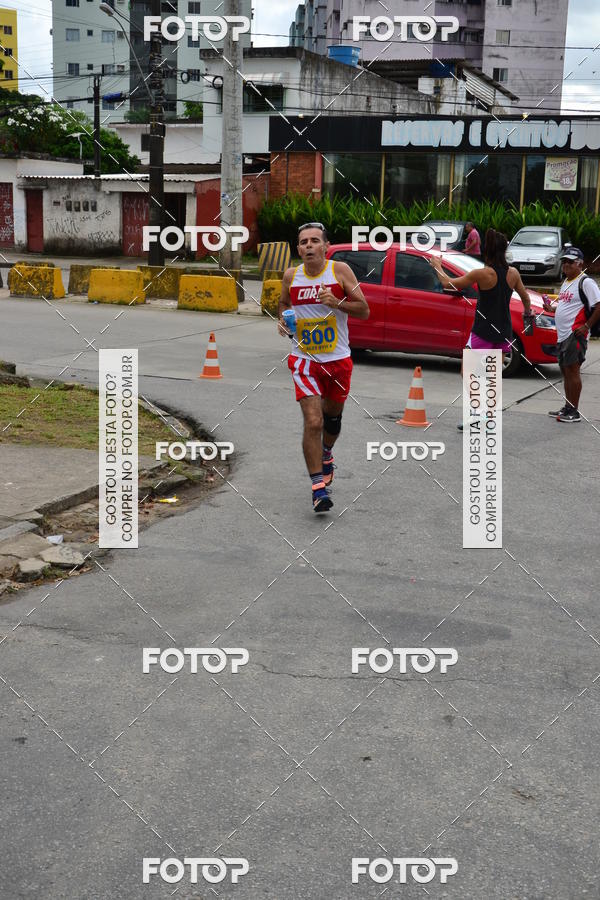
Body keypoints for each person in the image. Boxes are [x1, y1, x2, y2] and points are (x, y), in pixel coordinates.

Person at [278, 223, 370, 512]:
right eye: (303, 241)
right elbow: (282, 304)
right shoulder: (291, 276)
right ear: (298, 248)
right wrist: (282, 320)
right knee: (314, 421)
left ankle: (327, 453)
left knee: (332, 421)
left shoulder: (339, 271)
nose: (308, 246)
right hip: (304, 360)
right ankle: (319, 488)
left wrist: (338, 302)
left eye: (314, 241)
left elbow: (365, 310)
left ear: (325, 246)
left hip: (338, 360)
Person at [429, 228, 532, 430]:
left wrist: (437, 266)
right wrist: (528, 313)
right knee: (492, 376)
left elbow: (447, 283)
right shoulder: (513, 273)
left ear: (487, 252)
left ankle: (477, 415)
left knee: (468, 373)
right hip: (503, 332)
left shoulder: (482, 274)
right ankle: (488, 415)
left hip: (483, 331)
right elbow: (526, 297)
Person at [544, 247, 600, 423]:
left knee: (573, 371)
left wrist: (586, 326)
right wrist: (551, 309)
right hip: (562, 335)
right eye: (564, 262)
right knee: (566, 372)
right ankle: (568, 406)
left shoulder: (586, 282)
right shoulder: (567, 281)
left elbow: (599, 306)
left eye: (570, 261)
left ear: (580, 263)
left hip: (575, 334)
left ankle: (574, 412)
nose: (566, 265)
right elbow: (565, 305)